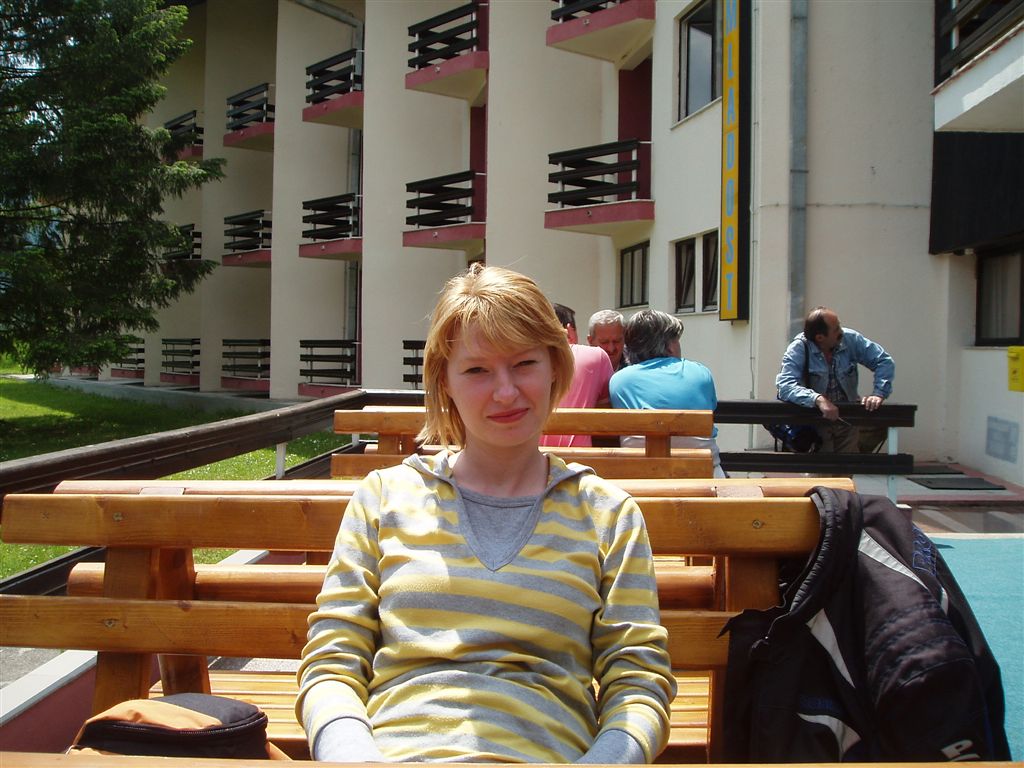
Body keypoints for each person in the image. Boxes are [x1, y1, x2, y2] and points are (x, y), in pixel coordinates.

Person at [297, 264, 676, 764]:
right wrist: (354, 758)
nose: (505, 392)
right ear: (445, 382)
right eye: (477, 370)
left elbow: (638, 682)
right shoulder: (383, 498)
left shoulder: (608, 514)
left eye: (524, 364)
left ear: (555, 366)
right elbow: (332, 662)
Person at [609, 309, 726, 478]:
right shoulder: (700, 373)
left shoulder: (619, 381)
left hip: (641, 476)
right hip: (702, 474)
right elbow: (711, 408)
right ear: (670, 346)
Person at [775, 306, 894, 453]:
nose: (841, 332)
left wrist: (879, 393)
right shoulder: (799, 348)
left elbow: (883, 361)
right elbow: (785, 385)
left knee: (846, 466)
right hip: (816, 422)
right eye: (836, 329)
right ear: (820, 337)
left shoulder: (850, 339)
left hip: (847, 421)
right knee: (823, 467)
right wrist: (818, 399)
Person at [540, 302, 614, 448]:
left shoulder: (530, 361)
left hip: (536, 454)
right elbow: (605, 408)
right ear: (569, 329)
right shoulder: (596, 356)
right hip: (580, 455)